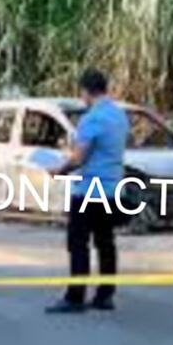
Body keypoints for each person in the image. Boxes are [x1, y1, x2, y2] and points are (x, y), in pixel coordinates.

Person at [46, 68, 129, 314]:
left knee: (78, 243)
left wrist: (59, 169)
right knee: (106, 242)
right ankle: (105, 295)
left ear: (85, 91)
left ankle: (75, 297)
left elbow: (80, 157)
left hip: (88, 191)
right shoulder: (118, 115)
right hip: (113, 189)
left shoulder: (91, 119)